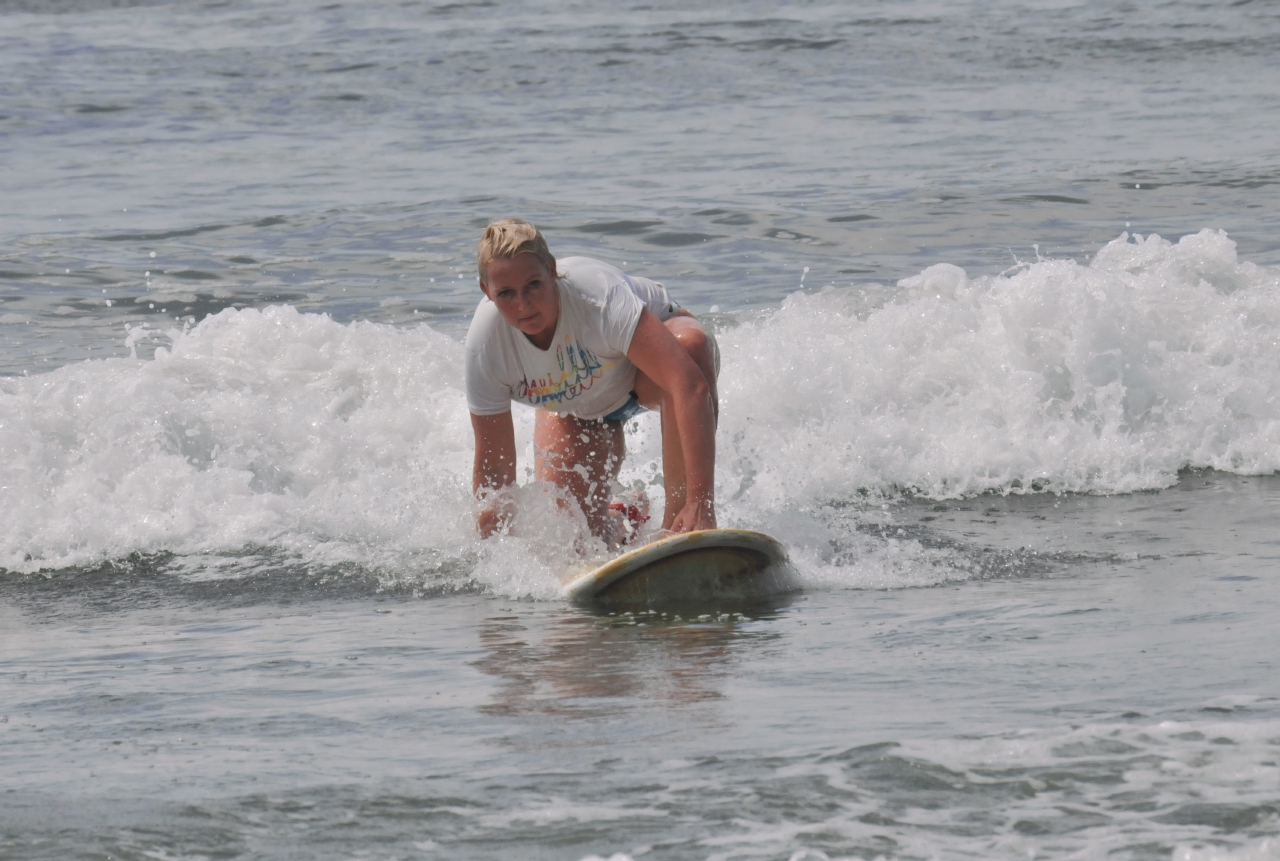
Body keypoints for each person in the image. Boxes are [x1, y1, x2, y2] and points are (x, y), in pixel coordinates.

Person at [464, 218, 719, 544]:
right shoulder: (486, 346)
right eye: (506, 293)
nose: (523, 305)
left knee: (690, 346)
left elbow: (690, 386)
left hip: (647, 377)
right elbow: (494, 472)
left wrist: (702, 502)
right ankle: (626, 516)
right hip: (579, 407)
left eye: (534, 285)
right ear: (486, 292)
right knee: (577, 540)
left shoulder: (598, 298)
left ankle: (677, 523)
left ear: (552, 271)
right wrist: (492, 552)